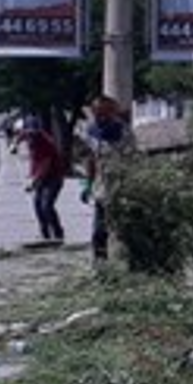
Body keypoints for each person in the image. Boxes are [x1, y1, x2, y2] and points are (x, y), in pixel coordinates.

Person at [81, 94, 133, 261]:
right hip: (102, 188)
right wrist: (87, 185)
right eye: (97, 113)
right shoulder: (91, 132)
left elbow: (132, 160)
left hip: (123, 187)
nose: (101, 117)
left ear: (113, 113)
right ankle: (101, 265)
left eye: (105, 113)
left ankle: (131, 262)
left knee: (125, 230)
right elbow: (90, 158)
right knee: (99, 231)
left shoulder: (124, 132)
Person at [15, 116, 66, 243]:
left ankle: (58, 233)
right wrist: (15, 144)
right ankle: (45, 233)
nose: (30, 135)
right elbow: (20, 137)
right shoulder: (29, 137)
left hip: (53, 177)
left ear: (38, 131)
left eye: (32, 132)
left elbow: (45, 164)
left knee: (46, 205)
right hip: (41, 176)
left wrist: (33, 181)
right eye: (28, 132)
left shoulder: (44, 142)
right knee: (37, 205)